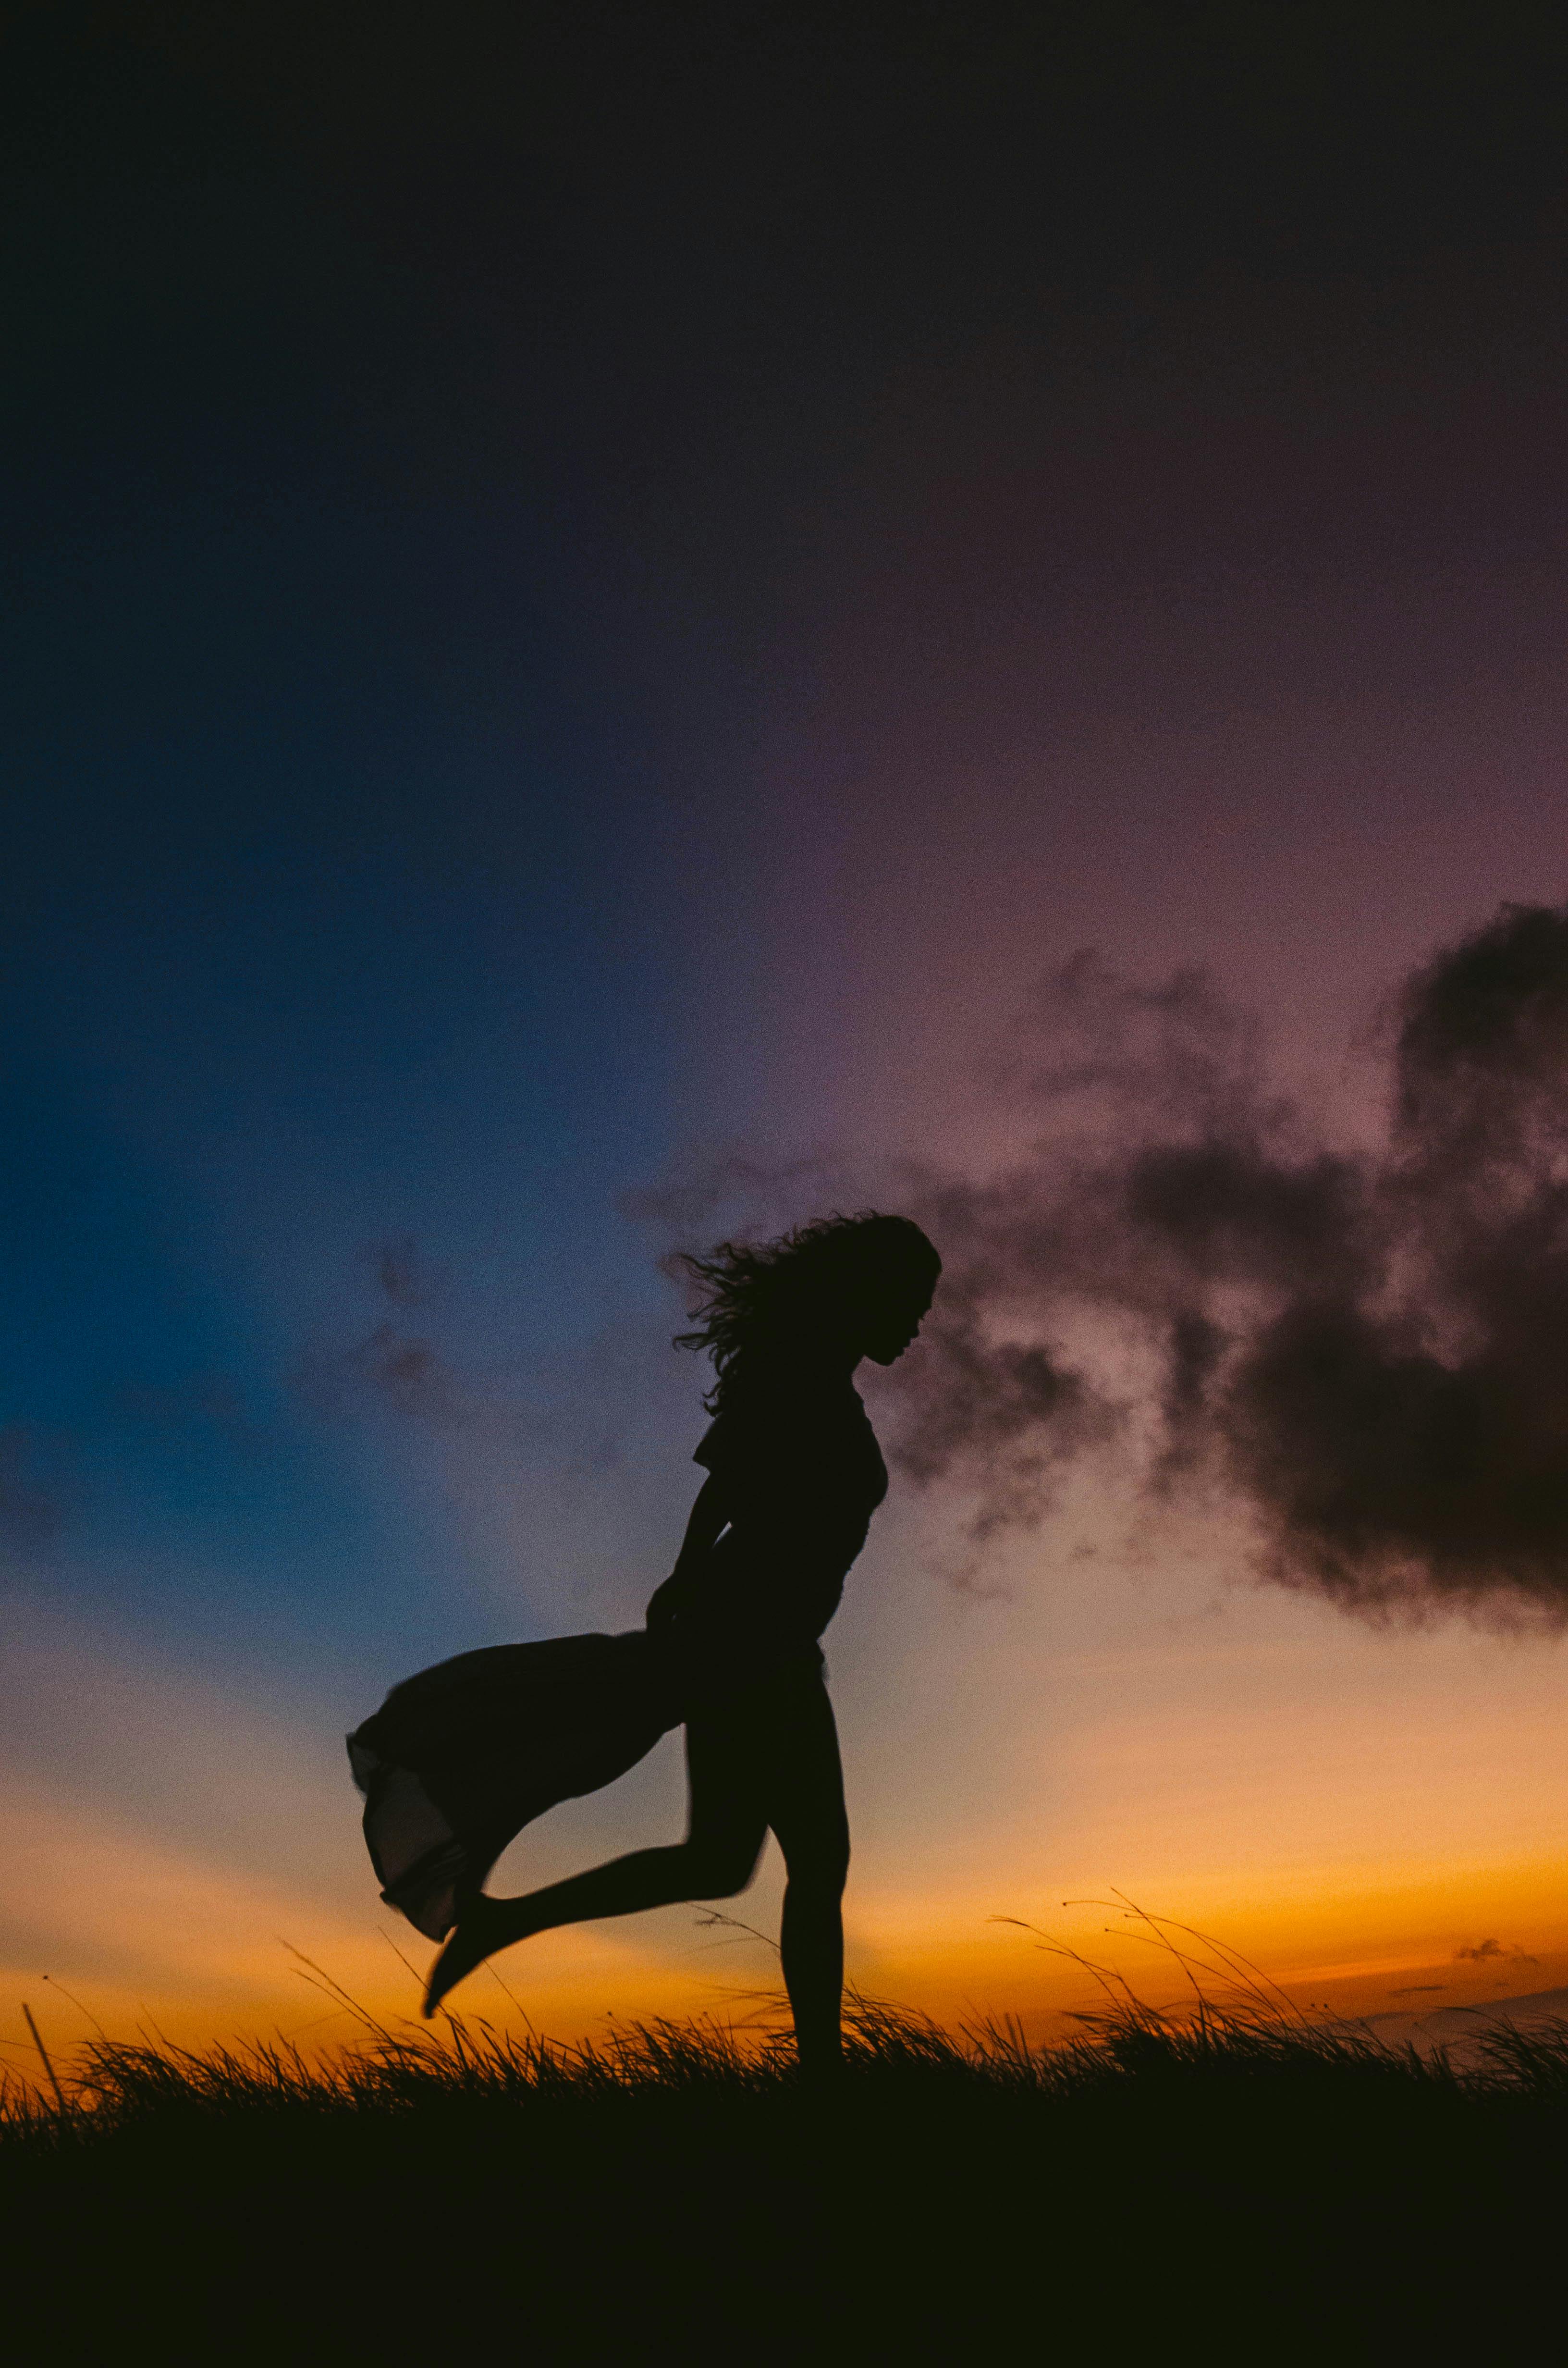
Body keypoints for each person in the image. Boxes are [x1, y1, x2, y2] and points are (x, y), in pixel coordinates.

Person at [421, 1209, 942, 2074]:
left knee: (719, 1862)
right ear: (868, 1294)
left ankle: (505, 1922)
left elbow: (722, 1493)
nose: (919, 1323)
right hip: (755, 1638)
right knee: (815, 1861)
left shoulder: (816, 1382)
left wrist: (689, 1581)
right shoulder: (799, 1377)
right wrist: (690, 1583)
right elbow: (728, 1489)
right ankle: (823, 2082)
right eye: (913, 1303)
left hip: (758, 1636)